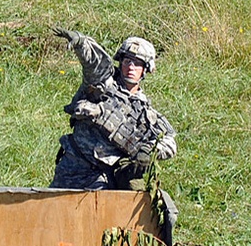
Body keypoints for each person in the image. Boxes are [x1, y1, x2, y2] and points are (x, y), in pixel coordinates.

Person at [50, 28, 177, 191]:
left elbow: (169, 140)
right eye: (127, 61)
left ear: (146, 69)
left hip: (105, 178)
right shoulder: (103, 82)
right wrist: (82, 43)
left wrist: (149, 151)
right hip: (74, 167)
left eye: (137, 63)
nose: (131, 67)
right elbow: (95, 63)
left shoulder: (147, 114)